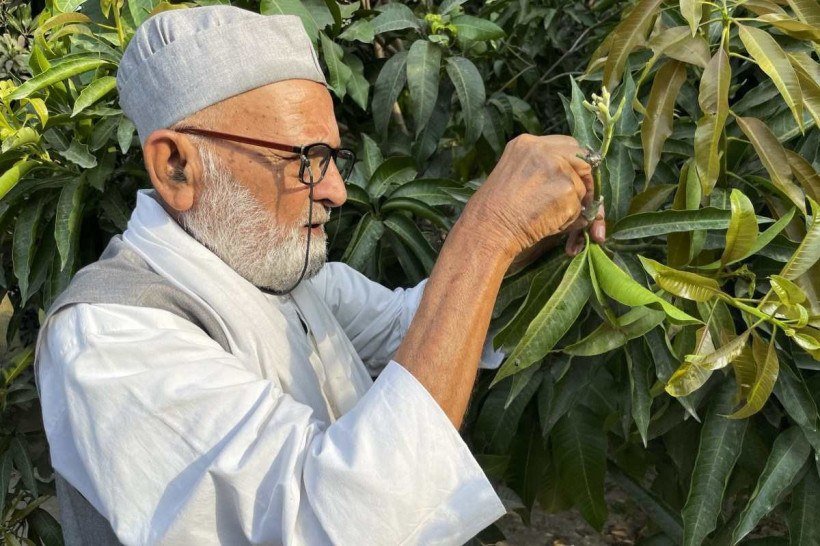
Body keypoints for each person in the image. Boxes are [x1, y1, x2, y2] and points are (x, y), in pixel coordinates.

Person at [34, 5, 606, 545]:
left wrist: (527, 249)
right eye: (304, 159)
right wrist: (486, 232)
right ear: (176, 166)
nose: (335, 190)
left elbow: (415, 326)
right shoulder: (107, 339)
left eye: (333, 157)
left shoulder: (285, 278)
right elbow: (334, 525)